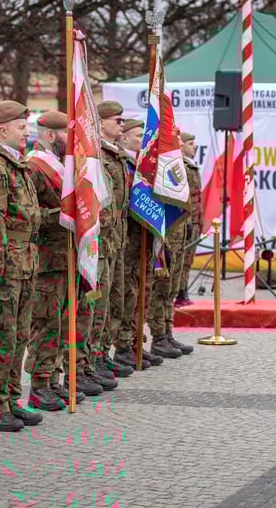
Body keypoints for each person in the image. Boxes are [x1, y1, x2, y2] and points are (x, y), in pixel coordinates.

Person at [0, 100, 42, 431]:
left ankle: (11, 399)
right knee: (1, 338)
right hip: (7, 265)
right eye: (21, 127)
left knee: (19, 337)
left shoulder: (18, 165)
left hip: (26, 261)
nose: (27, 133)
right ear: (3, 129)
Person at [23, 110, 73, 411]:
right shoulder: (35, 167)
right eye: (68, 134)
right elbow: (30, 215)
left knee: (60, 321)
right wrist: (64, 216)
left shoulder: (63, 165)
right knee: (45, 322)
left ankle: (53, 378)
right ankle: (39, 384)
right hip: (45, 258)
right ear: (52, 136)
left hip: (64, 256)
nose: (73, 140)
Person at [113, 119, 162, 370]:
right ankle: (124, 346)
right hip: (128, 237)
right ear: (123, 138)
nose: (142, 139)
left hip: (138, 237)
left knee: (140, 290)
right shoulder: (125, 164)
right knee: (128, 293)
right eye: (136, 135)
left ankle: (135, 343)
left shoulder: (140, 164)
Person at [146, 123, 194, 359]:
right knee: (161, 289)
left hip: (179, 235)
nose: (177, 139)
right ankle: (158, 337)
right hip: (165, 236)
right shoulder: (160, 166)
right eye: (172, 136)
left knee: (172, 289)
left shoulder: (178, 164)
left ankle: (167, 331)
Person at [96, 101, 134, 381]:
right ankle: (93, 357)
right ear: (101, 123)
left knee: (114, 300)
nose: (121, 125)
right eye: (117, 120)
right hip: (101, 240)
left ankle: (103, 353)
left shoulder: (117, 156)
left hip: (117, 239)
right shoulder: (96, 156)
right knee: (98, 303)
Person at [176, 132, 202, 304]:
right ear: (182, 145)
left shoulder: (191, 166)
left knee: (188, 258)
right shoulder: (182, 167)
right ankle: (180, 292)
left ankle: (182, 290)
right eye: (191, 143)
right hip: (186, 219)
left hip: (195, 218)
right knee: (182, 258)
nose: (194, 147)